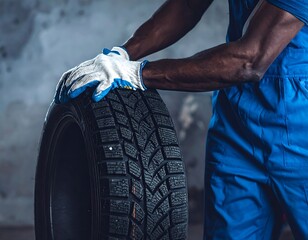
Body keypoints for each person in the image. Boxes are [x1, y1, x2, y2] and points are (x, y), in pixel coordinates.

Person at [55, 0, 308, 239]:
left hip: (301, 125)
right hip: (237, 124)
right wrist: (122, 56)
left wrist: (137, 73)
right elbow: (188, 4)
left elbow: (249, 60)